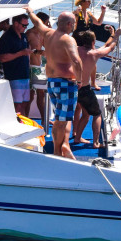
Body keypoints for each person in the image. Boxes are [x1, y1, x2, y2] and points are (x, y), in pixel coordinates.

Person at [72, 29, 121, 147]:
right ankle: (96, 142)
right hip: (84, 89)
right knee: (97, 114)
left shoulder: (75, 50)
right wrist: (117, 37)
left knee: (85, 114)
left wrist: (113, 35)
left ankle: (77, 138)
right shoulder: (95, 54)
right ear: (94, 41)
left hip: (73, 88)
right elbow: (110, 48)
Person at [45, 12, 84, 159]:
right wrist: (79, 80)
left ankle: (62, 146)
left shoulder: (49, 35)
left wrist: (30, 12)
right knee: (61, 121)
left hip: (52, 82)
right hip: (65, 84)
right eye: (73, 23)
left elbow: (38, 24)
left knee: (61, 118)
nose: (74, 26)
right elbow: (76, 61)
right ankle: (57, 152)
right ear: (69, 24)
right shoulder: (68, 39)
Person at [0, 13, 33, 117]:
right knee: (17, 105)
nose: (25, 28)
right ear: (15, 23)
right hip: (14, 76)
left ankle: (25, 125)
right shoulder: (6, 38)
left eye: (27, 25)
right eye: (24, 25)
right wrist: (21, 53)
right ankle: (18, 126)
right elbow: (2, 58)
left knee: (25, 103)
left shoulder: (23, 36)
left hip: (24, 74)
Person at [25, 8, 52, 119]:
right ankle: (25, 118)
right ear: (42, 22)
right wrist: (37, 52)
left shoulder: (42, 34)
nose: (48, 24)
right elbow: (26, 50)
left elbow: (49, 47)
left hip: (39, 67)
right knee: (30, 96)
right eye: (47, 22)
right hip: (30, 67)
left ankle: (43, 118)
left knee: (41, 94)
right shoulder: (29, 33)